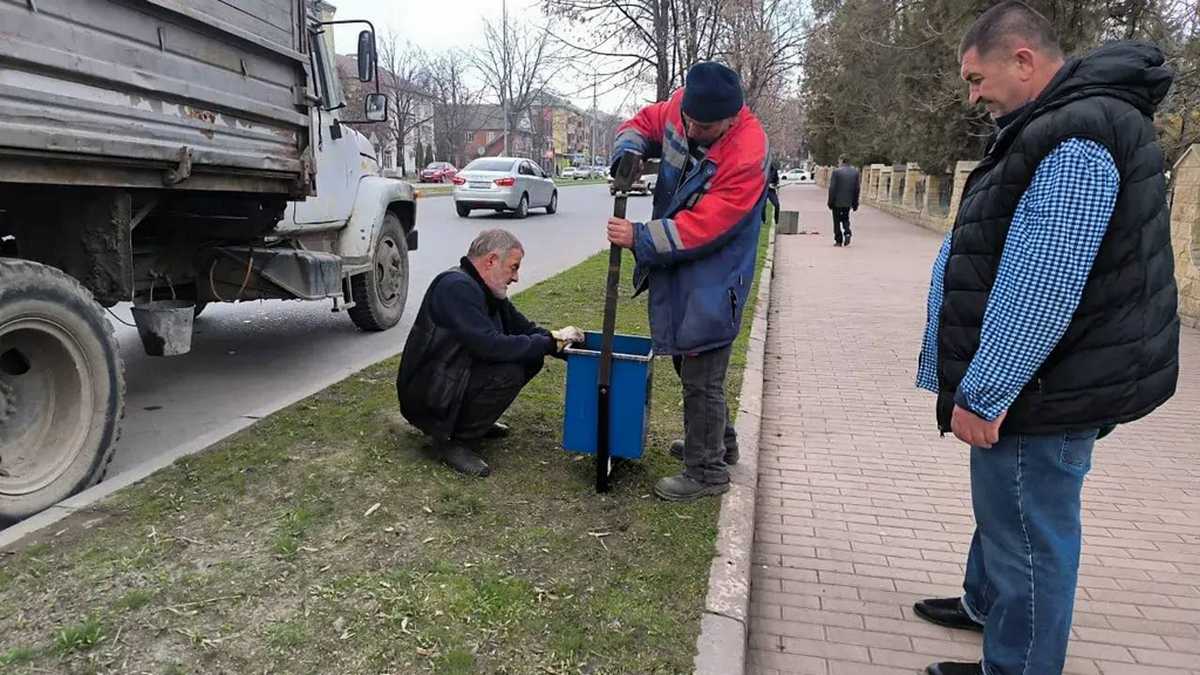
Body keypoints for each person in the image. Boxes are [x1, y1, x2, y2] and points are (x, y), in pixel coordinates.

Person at [913, 3, 1179, 675]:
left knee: (1030, 533)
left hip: (1047, 382)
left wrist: (986, 387)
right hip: (1060, 371)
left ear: (1023, 60)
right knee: (1006, 504)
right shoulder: (1062, 122)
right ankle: (984, 603)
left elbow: (1045, 280)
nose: (973, 96)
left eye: (978, 79)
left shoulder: (1076, 136)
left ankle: (1018, 664)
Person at [606, 61, 767, 501]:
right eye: (689, 121)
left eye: (705, 126)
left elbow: (703, 228)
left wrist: (638, 236)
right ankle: (718, 442)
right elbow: (641, 122)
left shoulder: (747, 154)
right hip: (681, 269)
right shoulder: (682, 108)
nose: (692, 130)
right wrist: (629, 150)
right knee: (687, 360)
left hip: (717, 272)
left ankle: (706, 472)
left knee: (702, 373)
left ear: (732, 119)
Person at [396, 229, 583, 477]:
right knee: (510, 370)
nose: (516, 277)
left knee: (529, 356)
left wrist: (565, 346)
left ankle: (472, 423)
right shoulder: (456, 287)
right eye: (513, 267)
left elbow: (525, 328)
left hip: (451, 378)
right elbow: (490, 345)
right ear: (491, 260)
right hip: (429, 394)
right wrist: (549, 342)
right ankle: (450, 441)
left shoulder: (485, 289)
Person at [826, 156, 859, 246]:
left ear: (842, 161)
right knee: (845, 218)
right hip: (848, 201)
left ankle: (838, 240)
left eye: (838, 161)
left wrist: (830, 201)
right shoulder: (855, 172)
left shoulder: (836, 172)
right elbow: (857, 189)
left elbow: (832, 188)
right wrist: (855, 203)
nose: (838, 163)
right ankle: (847, 232)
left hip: (837, 201)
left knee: (836, 221)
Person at [763, 160, 781, 224]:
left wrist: (776, 185)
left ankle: (776, 221)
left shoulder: (774, 170)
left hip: (771, 191)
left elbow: (776, 180)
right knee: (763, 206)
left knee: (777, 205)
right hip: (763, 191)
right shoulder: (762, 170)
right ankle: (763, 220)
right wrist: (767, 185)